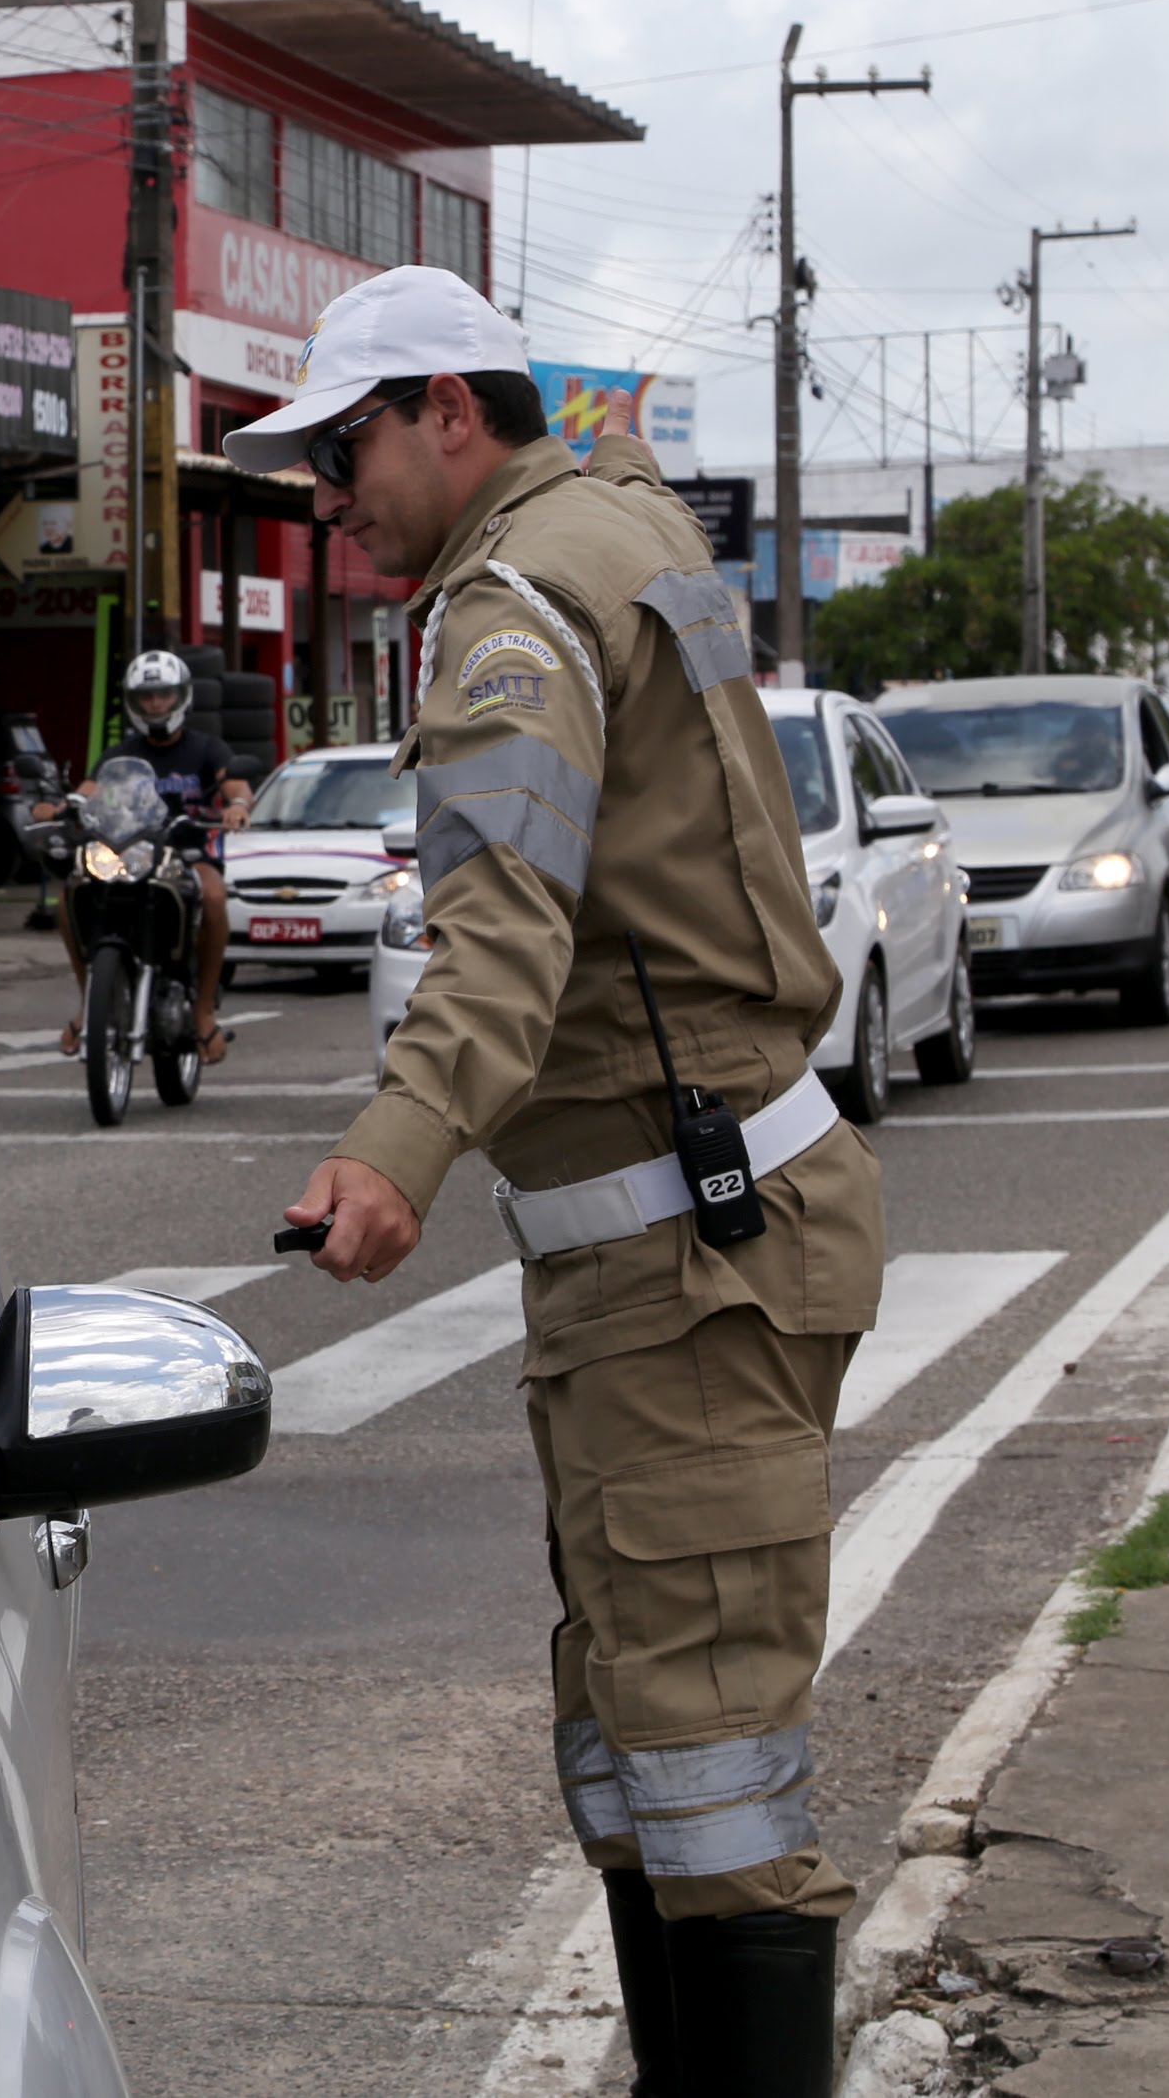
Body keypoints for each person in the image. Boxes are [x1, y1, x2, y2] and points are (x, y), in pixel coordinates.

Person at [241, 266, 883, 2098]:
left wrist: (393, 1149)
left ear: (454, 409)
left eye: (348, 443)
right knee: (641, 1749)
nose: (327, 491)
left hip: (693, 1259)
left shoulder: (512, 606)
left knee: (710, 1772)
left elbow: (500, 928)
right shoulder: (624, 524)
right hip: (676, 1247)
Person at [44, 648, 250, 1062]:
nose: (156, 704)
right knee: (72, 893)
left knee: (212, 897)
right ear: (134, 702)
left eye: (164, 694)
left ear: (181, 696)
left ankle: (204, 1010)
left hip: (189, 852)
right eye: (146, 697)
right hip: (128, 853)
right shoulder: (120, 753)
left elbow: (237, 786)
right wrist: (59, 807)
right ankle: (89, 1003)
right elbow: (89, 791)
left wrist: (238, 805)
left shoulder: (207, 749)